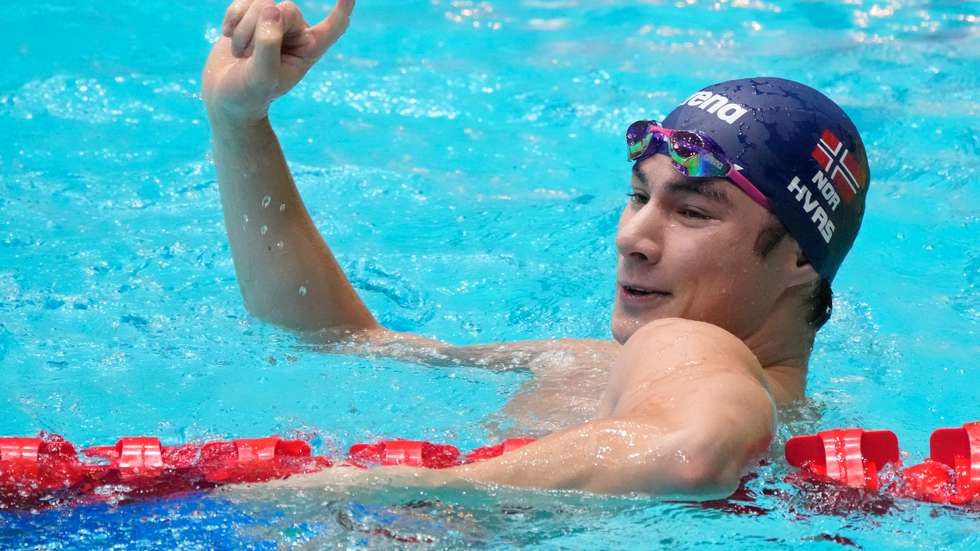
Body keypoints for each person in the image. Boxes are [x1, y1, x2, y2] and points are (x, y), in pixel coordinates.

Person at [201, 0, 870, 498]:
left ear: (799, 256)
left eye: (692, 212)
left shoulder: (689, 346)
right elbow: (340, 340)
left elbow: (691, 454)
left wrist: (394, 489)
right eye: (639, 196)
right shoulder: (590, 364)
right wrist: (239, 123)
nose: (632, 237)